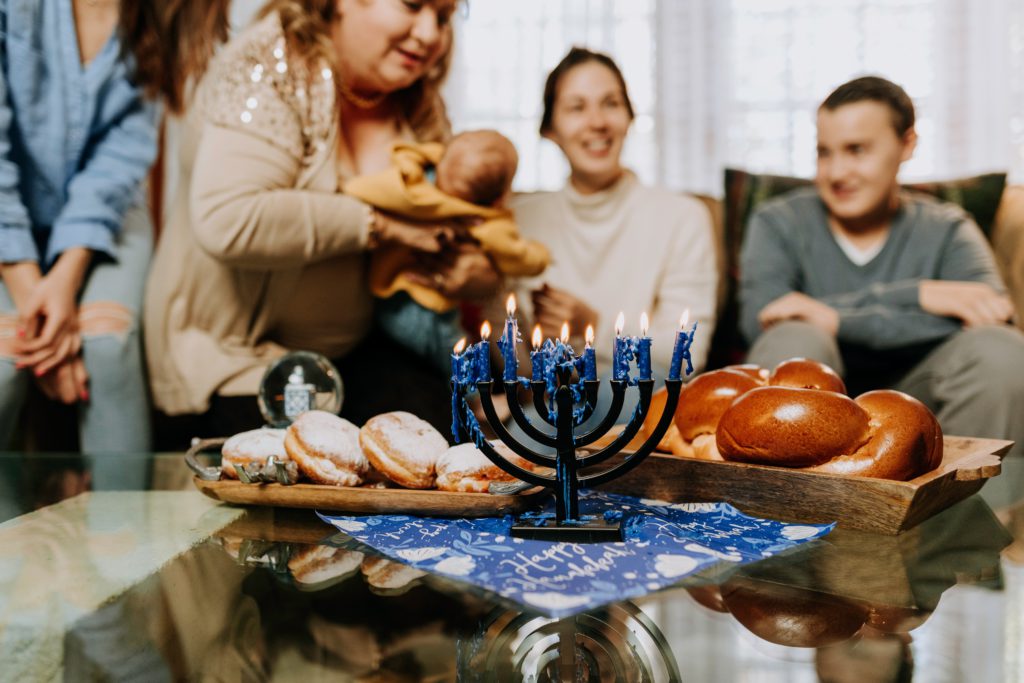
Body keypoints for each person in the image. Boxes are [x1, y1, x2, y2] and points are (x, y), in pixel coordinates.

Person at [144, 0, 500, 442]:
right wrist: (381, 226)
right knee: (287, 483)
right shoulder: (270, 64)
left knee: (440, 452)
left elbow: (458, 225)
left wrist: (475, 273)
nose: (430, 34)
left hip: (359, 350)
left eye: (444, 18)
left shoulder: (418, 101)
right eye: (413, 6)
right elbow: (229, 218)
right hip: (237, 359)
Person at [739, 75, 1024, 466]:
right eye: (824, 152)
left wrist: (835, 317)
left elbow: (992, 313)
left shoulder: (948, 227)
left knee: (1001, 349)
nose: (837, 173)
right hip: (816, 407)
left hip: (924, 403)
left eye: (857, 150)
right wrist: (923, 298)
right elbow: (763, 321)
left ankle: (959, 515)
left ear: (907, 144)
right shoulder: (777, 222)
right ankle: (789, 519)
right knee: (794, 336)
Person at [0, 0, 159, 480]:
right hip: (8, 206)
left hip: (107, 209)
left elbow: (123, 154)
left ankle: (129, 543)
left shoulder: (165, 15)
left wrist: (66, 280)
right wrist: (39, 312)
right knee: (8, 358)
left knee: (106, 342)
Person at [511, 47, 718, 382]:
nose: (598, 122)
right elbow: (513, 358)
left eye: (611, 103)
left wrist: (594, 328)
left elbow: (685, 355)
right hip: (547, 404)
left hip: (636, 401)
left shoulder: (684, 218)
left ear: (629, 117)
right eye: (577, 107)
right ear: (550, 128)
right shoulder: (516, 222)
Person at [344, 129, 549, 371]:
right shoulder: (487, 221)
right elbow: (520, 259)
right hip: (428, 311)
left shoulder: (416, 188)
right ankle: (476, 399)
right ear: (501, 197)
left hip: (387, 295)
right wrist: (541, 255)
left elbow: (357, 189)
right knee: (456, 349)